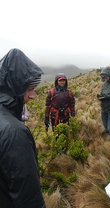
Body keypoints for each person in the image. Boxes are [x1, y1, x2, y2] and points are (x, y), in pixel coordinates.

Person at [0, 48, 45, 207]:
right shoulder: (14, 133)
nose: (34, 96)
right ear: (15, 88)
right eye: (30, 89)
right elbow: (29, 200)